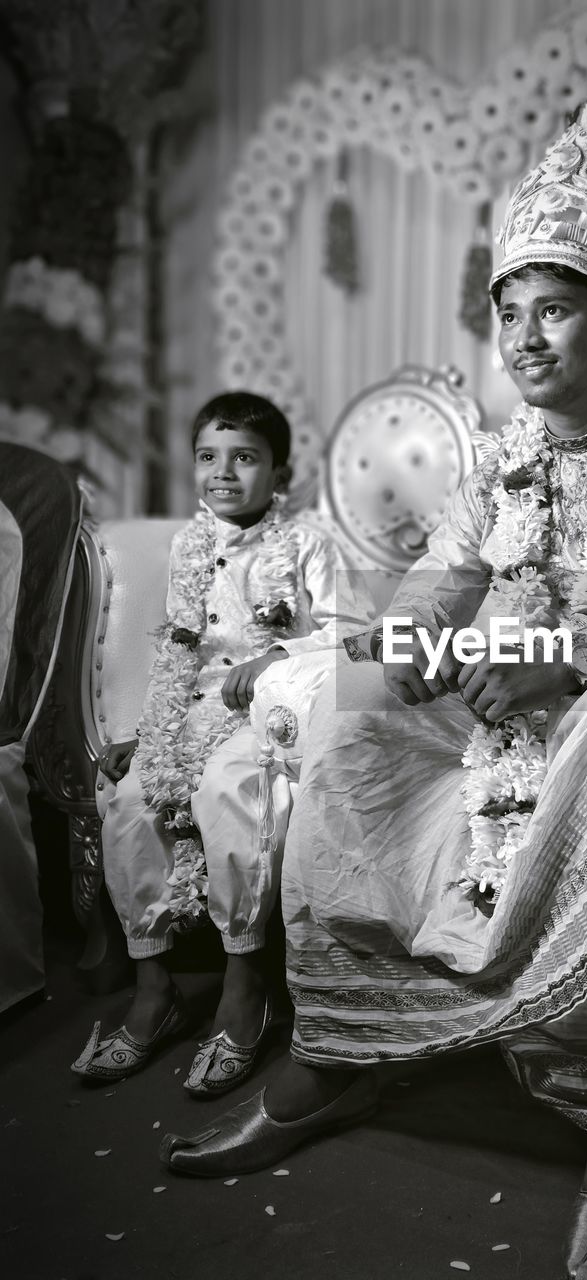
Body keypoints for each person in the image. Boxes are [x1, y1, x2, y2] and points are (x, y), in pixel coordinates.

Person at [159, 72, 587, 1279]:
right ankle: (340, 1050)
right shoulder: (495, 467)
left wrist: (572, 652)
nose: (526, 338)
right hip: (507, 692)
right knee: (350, 715)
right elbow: (437, 598)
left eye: (556, 311)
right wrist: (368, 658)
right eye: (511, 315)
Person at [72, 391, 372, 1097]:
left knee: (228, 792)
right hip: (192, 711)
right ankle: (154, 985)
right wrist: (145, 732)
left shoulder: (309, 541)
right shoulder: (190, 545)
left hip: (272, 714)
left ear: (280, 473)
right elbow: (178, 650)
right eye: (209, 456)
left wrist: (277, 659)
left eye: (245, 458)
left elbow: (350, 635)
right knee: (131, 793)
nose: (224, 472)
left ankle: (246, 986)